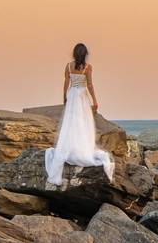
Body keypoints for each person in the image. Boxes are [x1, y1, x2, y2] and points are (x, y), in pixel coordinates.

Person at [44, 43, 114, 185]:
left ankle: (69, 146)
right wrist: (95, 100)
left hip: (72, 95)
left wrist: (64, 96)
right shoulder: (87, 67)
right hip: (82, 96)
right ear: (85, 54)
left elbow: (66, 82)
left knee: (70, 122)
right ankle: (81, 147)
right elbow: (89, 85)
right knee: (82, 122)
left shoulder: (69, 66)